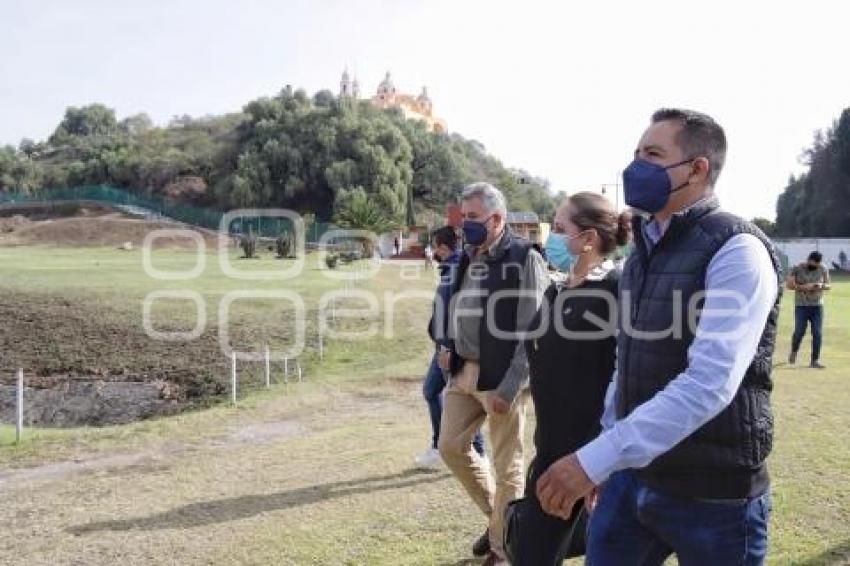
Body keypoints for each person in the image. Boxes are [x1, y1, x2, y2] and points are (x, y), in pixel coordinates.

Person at [534, 108, 781, 565]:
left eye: (652, 154)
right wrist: (608, 460)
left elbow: (709, 383)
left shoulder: (737, 251)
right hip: (632, 482)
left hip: (715, 499)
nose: (636, 167)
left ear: (697, 169)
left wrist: (592, 460)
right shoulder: (642, 253)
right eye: (635, 153)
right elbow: (626, 364)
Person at [507, 192, 630, 565]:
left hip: (588, 456)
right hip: (549, 447)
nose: (551, 237)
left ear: (589, 239)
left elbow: (622, 378)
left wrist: (600, 460)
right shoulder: (555, 287)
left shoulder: (615, 289)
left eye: (560, 228)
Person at [439, 182, 549, 566]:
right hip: (461, 373)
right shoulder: (468, 254)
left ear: (497, 218)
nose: (463, 225)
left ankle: (503, 550)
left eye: (471, 218)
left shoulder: (524, 258)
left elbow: (533, 330)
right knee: (450, 447)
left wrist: (511, 384)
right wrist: (447, 344)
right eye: (463, 216)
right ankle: (499, 521)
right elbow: (458, 305)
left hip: (501, 379)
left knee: (508, 468)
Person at [418, 226, 485, 470]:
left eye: (435, 246)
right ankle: (440, 447)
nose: (433, 251)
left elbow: (454, 312)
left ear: (443, 248)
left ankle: (476, 453)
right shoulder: (449, 269)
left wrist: (448, 347)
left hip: (449, 349)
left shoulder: (456, 270)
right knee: (432, 391)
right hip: (443, 346)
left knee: (463, 400)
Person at [787, 251, 830, 368]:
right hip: (801, 305)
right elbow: (789, 285)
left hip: (817, 306)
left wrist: (821, 286)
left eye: (816, 264)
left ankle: (815, 360)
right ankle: (794, 351)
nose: (814, 266)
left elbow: (829, 285)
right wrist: (803, 287)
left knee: (817, 333)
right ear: (808, 260)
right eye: (812, 263)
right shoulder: (797, 268)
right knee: (799, 331)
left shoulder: (823, 268)